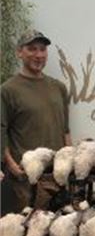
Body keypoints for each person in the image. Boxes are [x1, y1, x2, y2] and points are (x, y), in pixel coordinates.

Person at [1, 30, 71, 212]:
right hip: (26, 180)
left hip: (56, 178)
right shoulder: (7, 90)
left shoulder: (59, 88)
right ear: (19, 52)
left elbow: (65, 130)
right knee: (26, 226)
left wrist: (69, 163)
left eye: (42, 49)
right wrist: (12, 166)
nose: (39, 55)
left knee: (59, 227)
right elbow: (1, 130)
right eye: (32, 49)